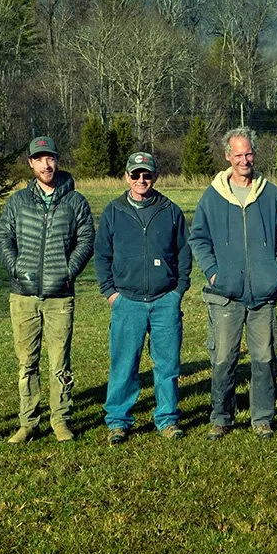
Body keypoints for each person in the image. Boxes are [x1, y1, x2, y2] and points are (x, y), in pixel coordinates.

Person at [190, 128, 277, 440]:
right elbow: (198, 238)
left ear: (255, 154)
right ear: (227, 156)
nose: (244, 160)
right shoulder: (212, 196)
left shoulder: (271, 195)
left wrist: (276, 271)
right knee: (223, 359)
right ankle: (221, 417)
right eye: (238, 155)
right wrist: (213, 273)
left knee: (264, 358)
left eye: (248, 153)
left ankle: (262, 418)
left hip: (263, 295)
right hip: (225, 295)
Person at [0, 135, 95, 444]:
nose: (46, 164)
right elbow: (4, 238)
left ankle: (61, 420)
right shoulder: (18, 201)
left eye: (50, 158)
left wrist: (67, 271)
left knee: (59, 362)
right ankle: (28, 423)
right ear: (31, 164)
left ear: (57, 160)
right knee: (27, 363)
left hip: (59, 296)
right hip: (23, 295)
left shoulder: (75, 201)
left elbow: (86, 239)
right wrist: (16, 268)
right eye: (39, 159)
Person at [94, 151, 192, 444]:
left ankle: (167, 418)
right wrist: (111, 293)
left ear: (155, 177)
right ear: (126, 176)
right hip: (127, 301)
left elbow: (184, 253)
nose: (141, 180)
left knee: (167, 365)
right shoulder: (114, 211)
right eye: (135, 174)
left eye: (146, 175)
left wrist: (178, 291)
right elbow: (102, 255)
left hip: (164, 300)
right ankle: (118, 421)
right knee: (124, 365)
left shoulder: (170, 210)